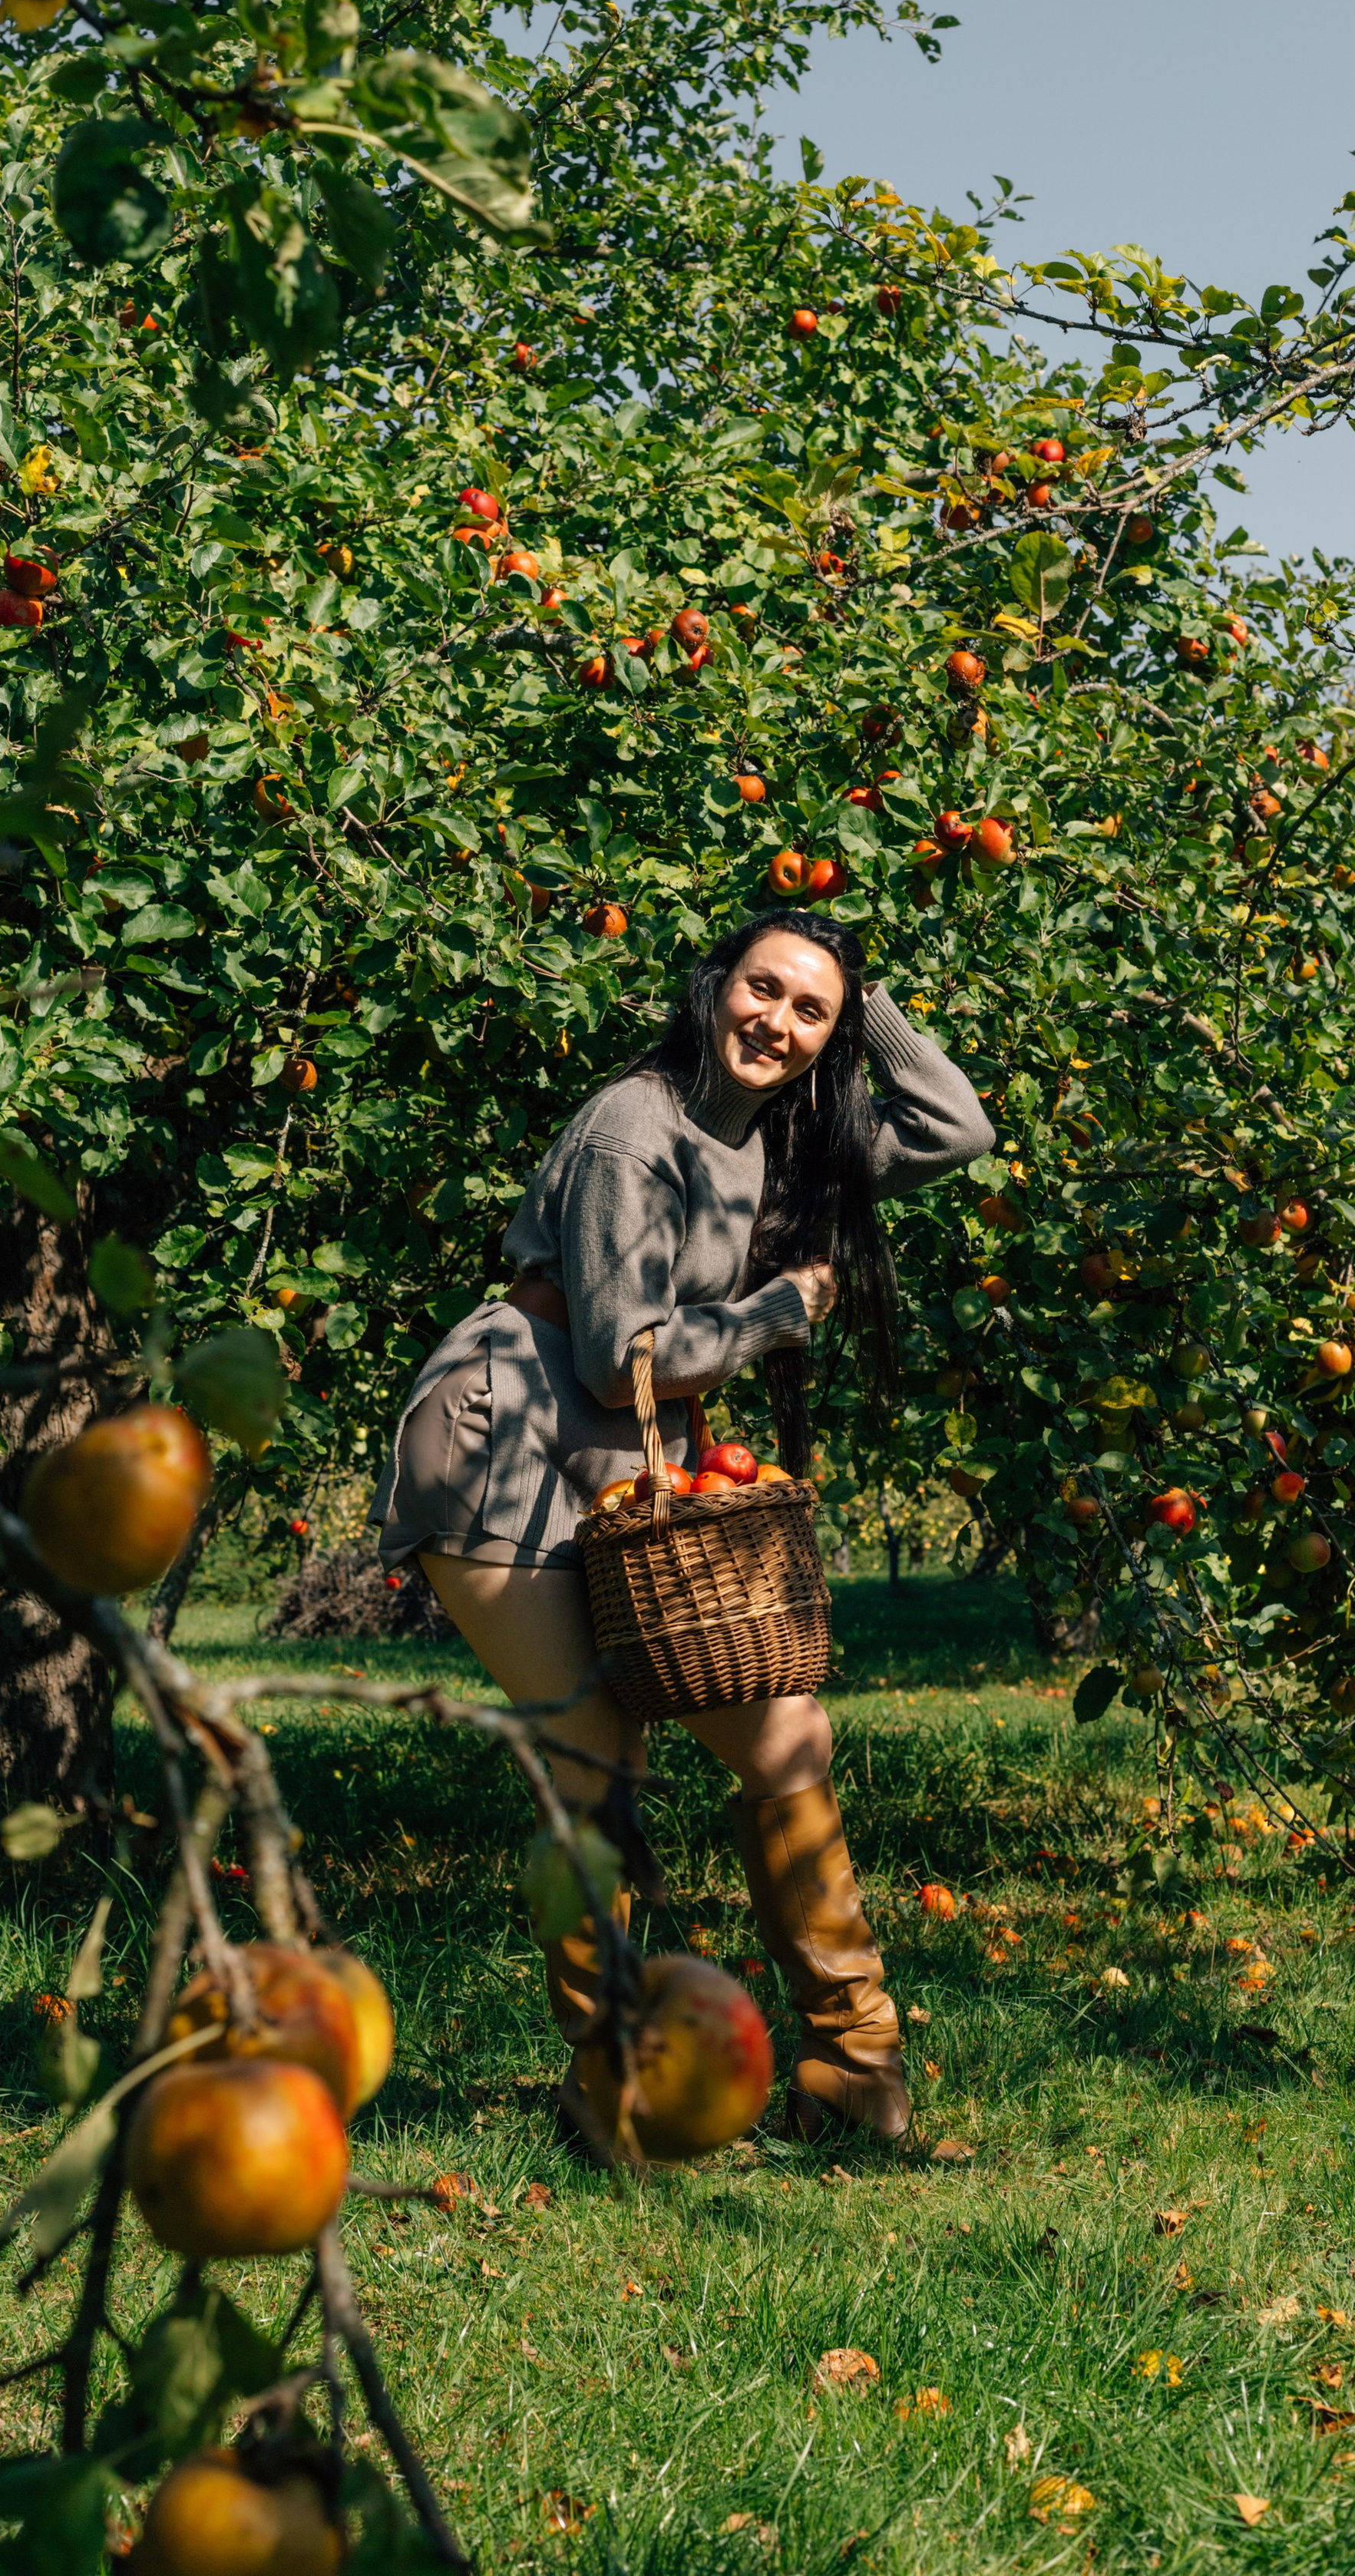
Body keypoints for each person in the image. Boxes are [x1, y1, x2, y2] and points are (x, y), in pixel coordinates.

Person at [369, 911, 993, 2140]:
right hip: (508, 1432)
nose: (777, 1022)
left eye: (809, 1012)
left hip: (629, 1458)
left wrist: (857, 989)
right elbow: (620, 1358)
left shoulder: (791, 1148)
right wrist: (777, 1311)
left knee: (788, 1737)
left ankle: (854, 2066)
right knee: (595, 1756)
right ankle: (614, 2085)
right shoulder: (633, 1128)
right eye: (763, 988)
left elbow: (957, 1128)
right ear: (714, 988)